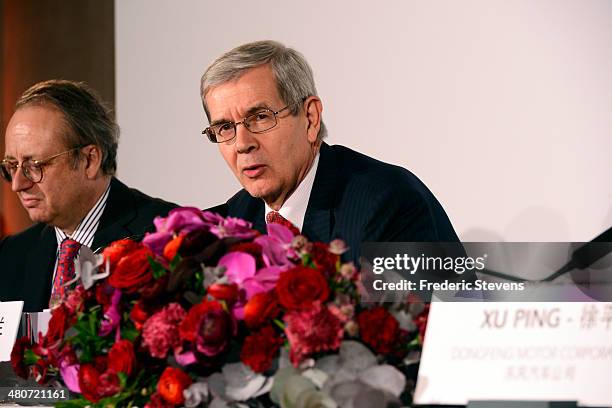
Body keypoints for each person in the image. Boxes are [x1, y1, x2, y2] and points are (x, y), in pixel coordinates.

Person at [200, 40, 461, 262]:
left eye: (260, 117)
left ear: (310, 118)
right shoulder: (233, 221)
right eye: (224, 127)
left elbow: (433, 319)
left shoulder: (389, 202)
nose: (243, 143)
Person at [0, 80, 176, 312]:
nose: (18, 184)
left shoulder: (166, 235)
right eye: (12, 166)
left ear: (90, 160)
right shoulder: (11, 255)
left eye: (35, 166)